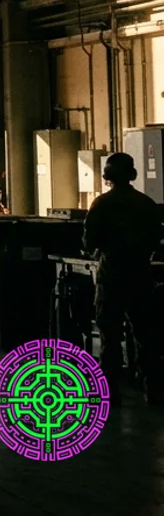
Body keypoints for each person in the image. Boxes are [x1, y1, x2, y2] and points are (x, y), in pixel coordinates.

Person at [83, 151, 163, 402]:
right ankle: (153, 389)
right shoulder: (146, 203)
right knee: (146, 335)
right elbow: (156, 239)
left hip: (111, 278)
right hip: (141, 276)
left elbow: (89, 241)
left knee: (110, 336)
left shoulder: (101, 204)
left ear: (108, 175)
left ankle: (111, 392)